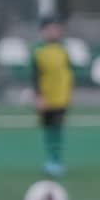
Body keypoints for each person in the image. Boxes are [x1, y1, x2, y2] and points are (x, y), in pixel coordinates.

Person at [31, 15, 74, 177]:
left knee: (58, 130)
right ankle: (50, 161)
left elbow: (68, 73)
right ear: (42, 31)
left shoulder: (63, 50)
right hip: (46, 99)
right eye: (49, 29)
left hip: (61, 98)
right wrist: (38, 96)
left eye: (56, 29)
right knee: (48, 130)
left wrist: (69, 93)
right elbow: (35, 77)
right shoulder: (38, 51)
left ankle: (57, 161)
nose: (53, 32)